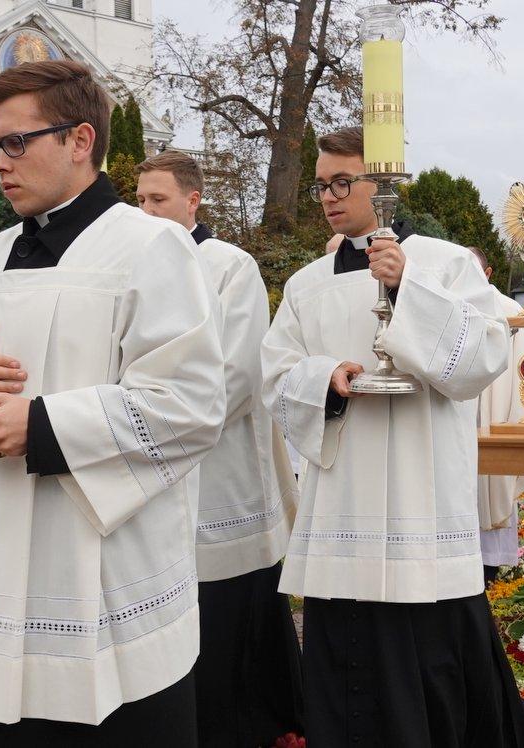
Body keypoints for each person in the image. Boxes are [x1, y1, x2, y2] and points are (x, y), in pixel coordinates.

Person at [0, 61, 224, 747]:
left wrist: (40, 425)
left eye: (16, 143)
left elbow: (189, 403)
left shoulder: (151, 246)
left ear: (79, 140)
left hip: (95, 561)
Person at [261, 126, 524, 747]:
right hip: (345, 494)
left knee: (431, 658)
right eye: (321, 185)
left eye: (343, 182)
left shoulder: (444, 261)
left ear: (382, 184)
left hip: (422, 491)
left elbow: (487, 351)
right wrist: (322, 378)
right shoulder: (307, 284)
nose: (330, 197)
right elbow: (274, 371)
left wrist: (408, 285)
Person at [136, 150, 303, 747]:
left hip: (218, 467)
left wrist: (158, 430)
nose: (148, 211)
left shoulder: (230, 267)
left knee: (229, 614)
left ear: (193, 201)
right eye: (141, 200)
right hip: (148, 463)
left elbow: (236, 373)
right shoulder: (134, 264)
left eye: (159, 200)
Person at [467, 246, 524, 583]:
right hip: (461, 414)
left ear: (488, 272)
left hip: (497, 411)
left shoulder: (511, 310)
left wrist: (519, 412)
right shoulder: (451, 307)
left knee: (494, 483)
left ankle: (493, 562)